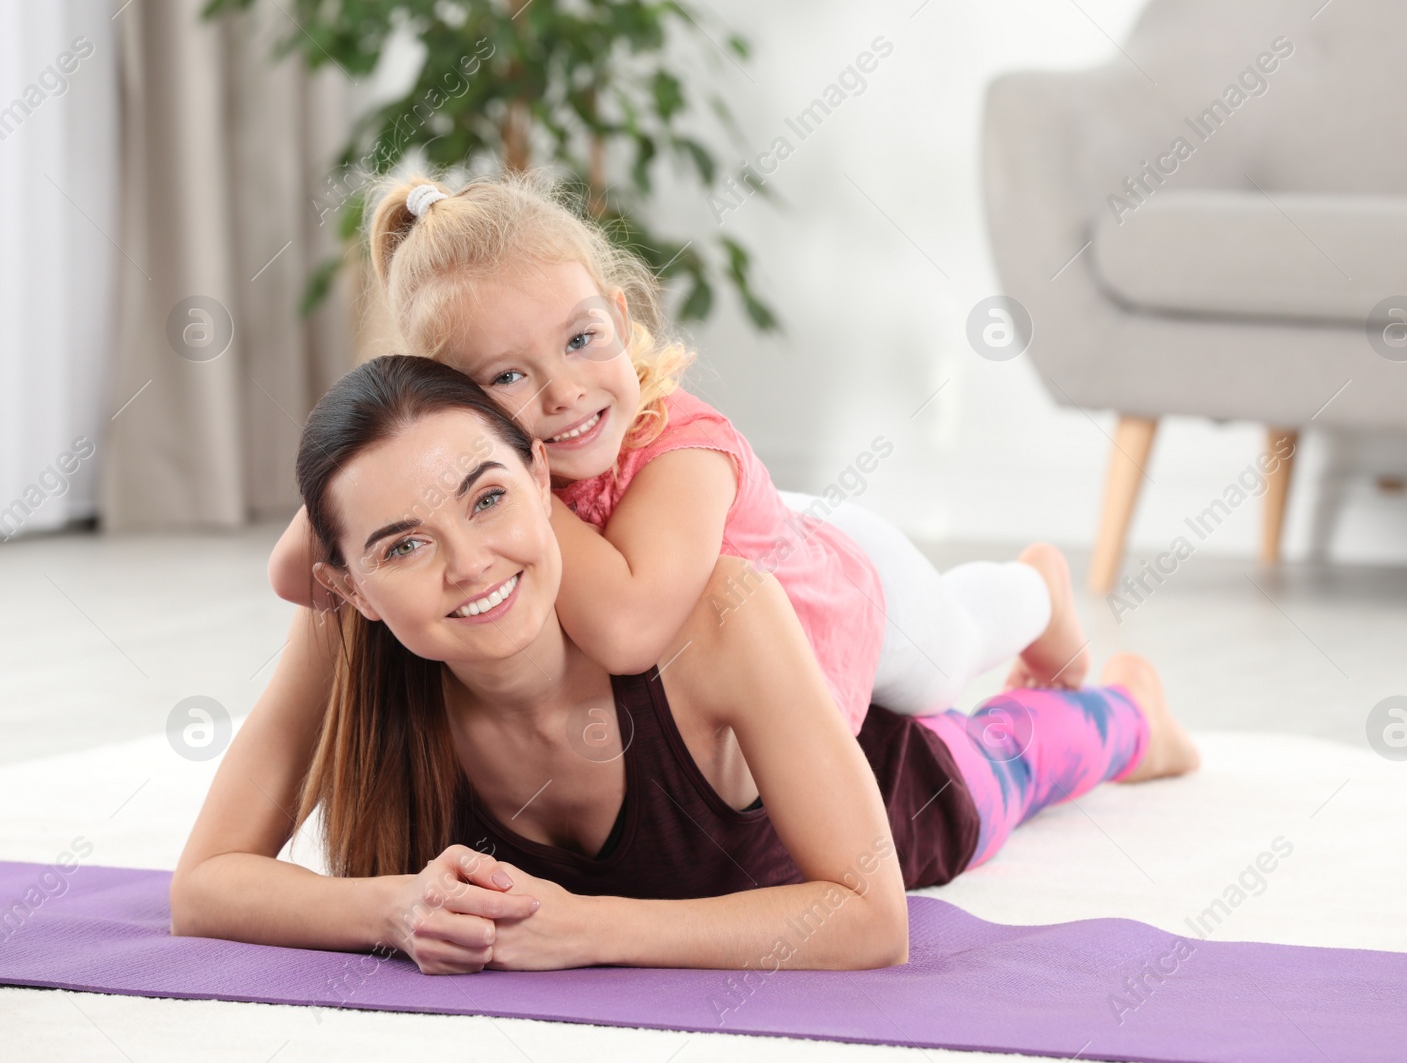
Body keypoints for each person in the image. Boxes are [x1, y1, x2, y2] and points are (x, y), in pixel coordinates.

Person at [170, 355, 1200, 975]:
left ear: (538, 472)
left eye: (486, 497)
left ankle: (1131, 706)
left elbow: (869, 917)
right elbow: (206, 884)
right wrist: (392, 905)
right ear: (345, 582)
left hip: (895, 783)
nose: (467, 561)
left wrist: (587, 930)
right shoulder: (345, 640)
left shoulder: (717, 610)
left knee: (1020, 753)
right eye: (400, 544)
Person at [266, 170, 1092, 738]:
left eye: (583, 339)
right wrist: (396, 453)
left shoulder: (677, 446)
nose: (564, 392)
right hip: (709, 540)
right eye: (508, 376)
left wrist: (501, 472)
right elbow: (296, 573)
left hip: (843, 579)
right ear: (463, 402)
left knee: (942, 661)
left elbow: (627, 632)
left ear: (621, 319)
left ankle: (1038, 591)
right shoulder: (486, 455)